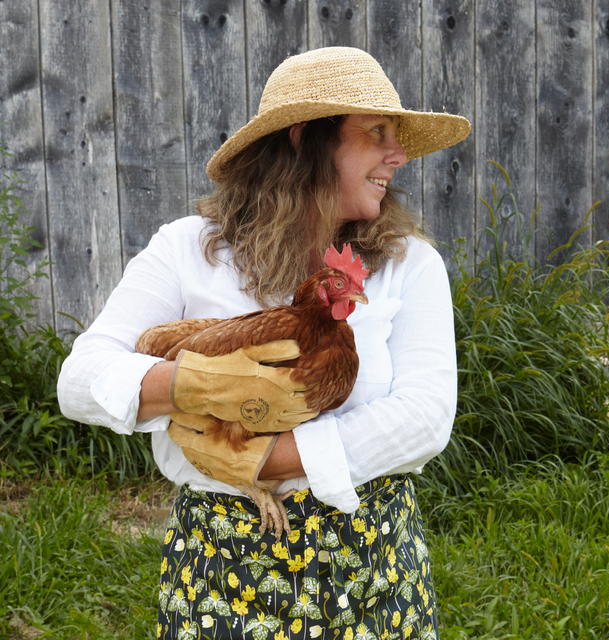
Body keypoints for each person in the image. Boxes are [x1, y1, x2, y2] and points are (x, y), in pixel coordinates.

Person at [58, 46, 469, 639]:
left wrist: (255, 458)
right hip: (219, 563)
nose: (398, 155)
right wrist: (198, 386)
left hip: (369, 564)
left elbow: (425, 418)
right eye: (377, 132)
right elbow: (79, 382)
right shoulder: (187, 250)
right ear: (305, 139)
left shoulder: (411, 265)